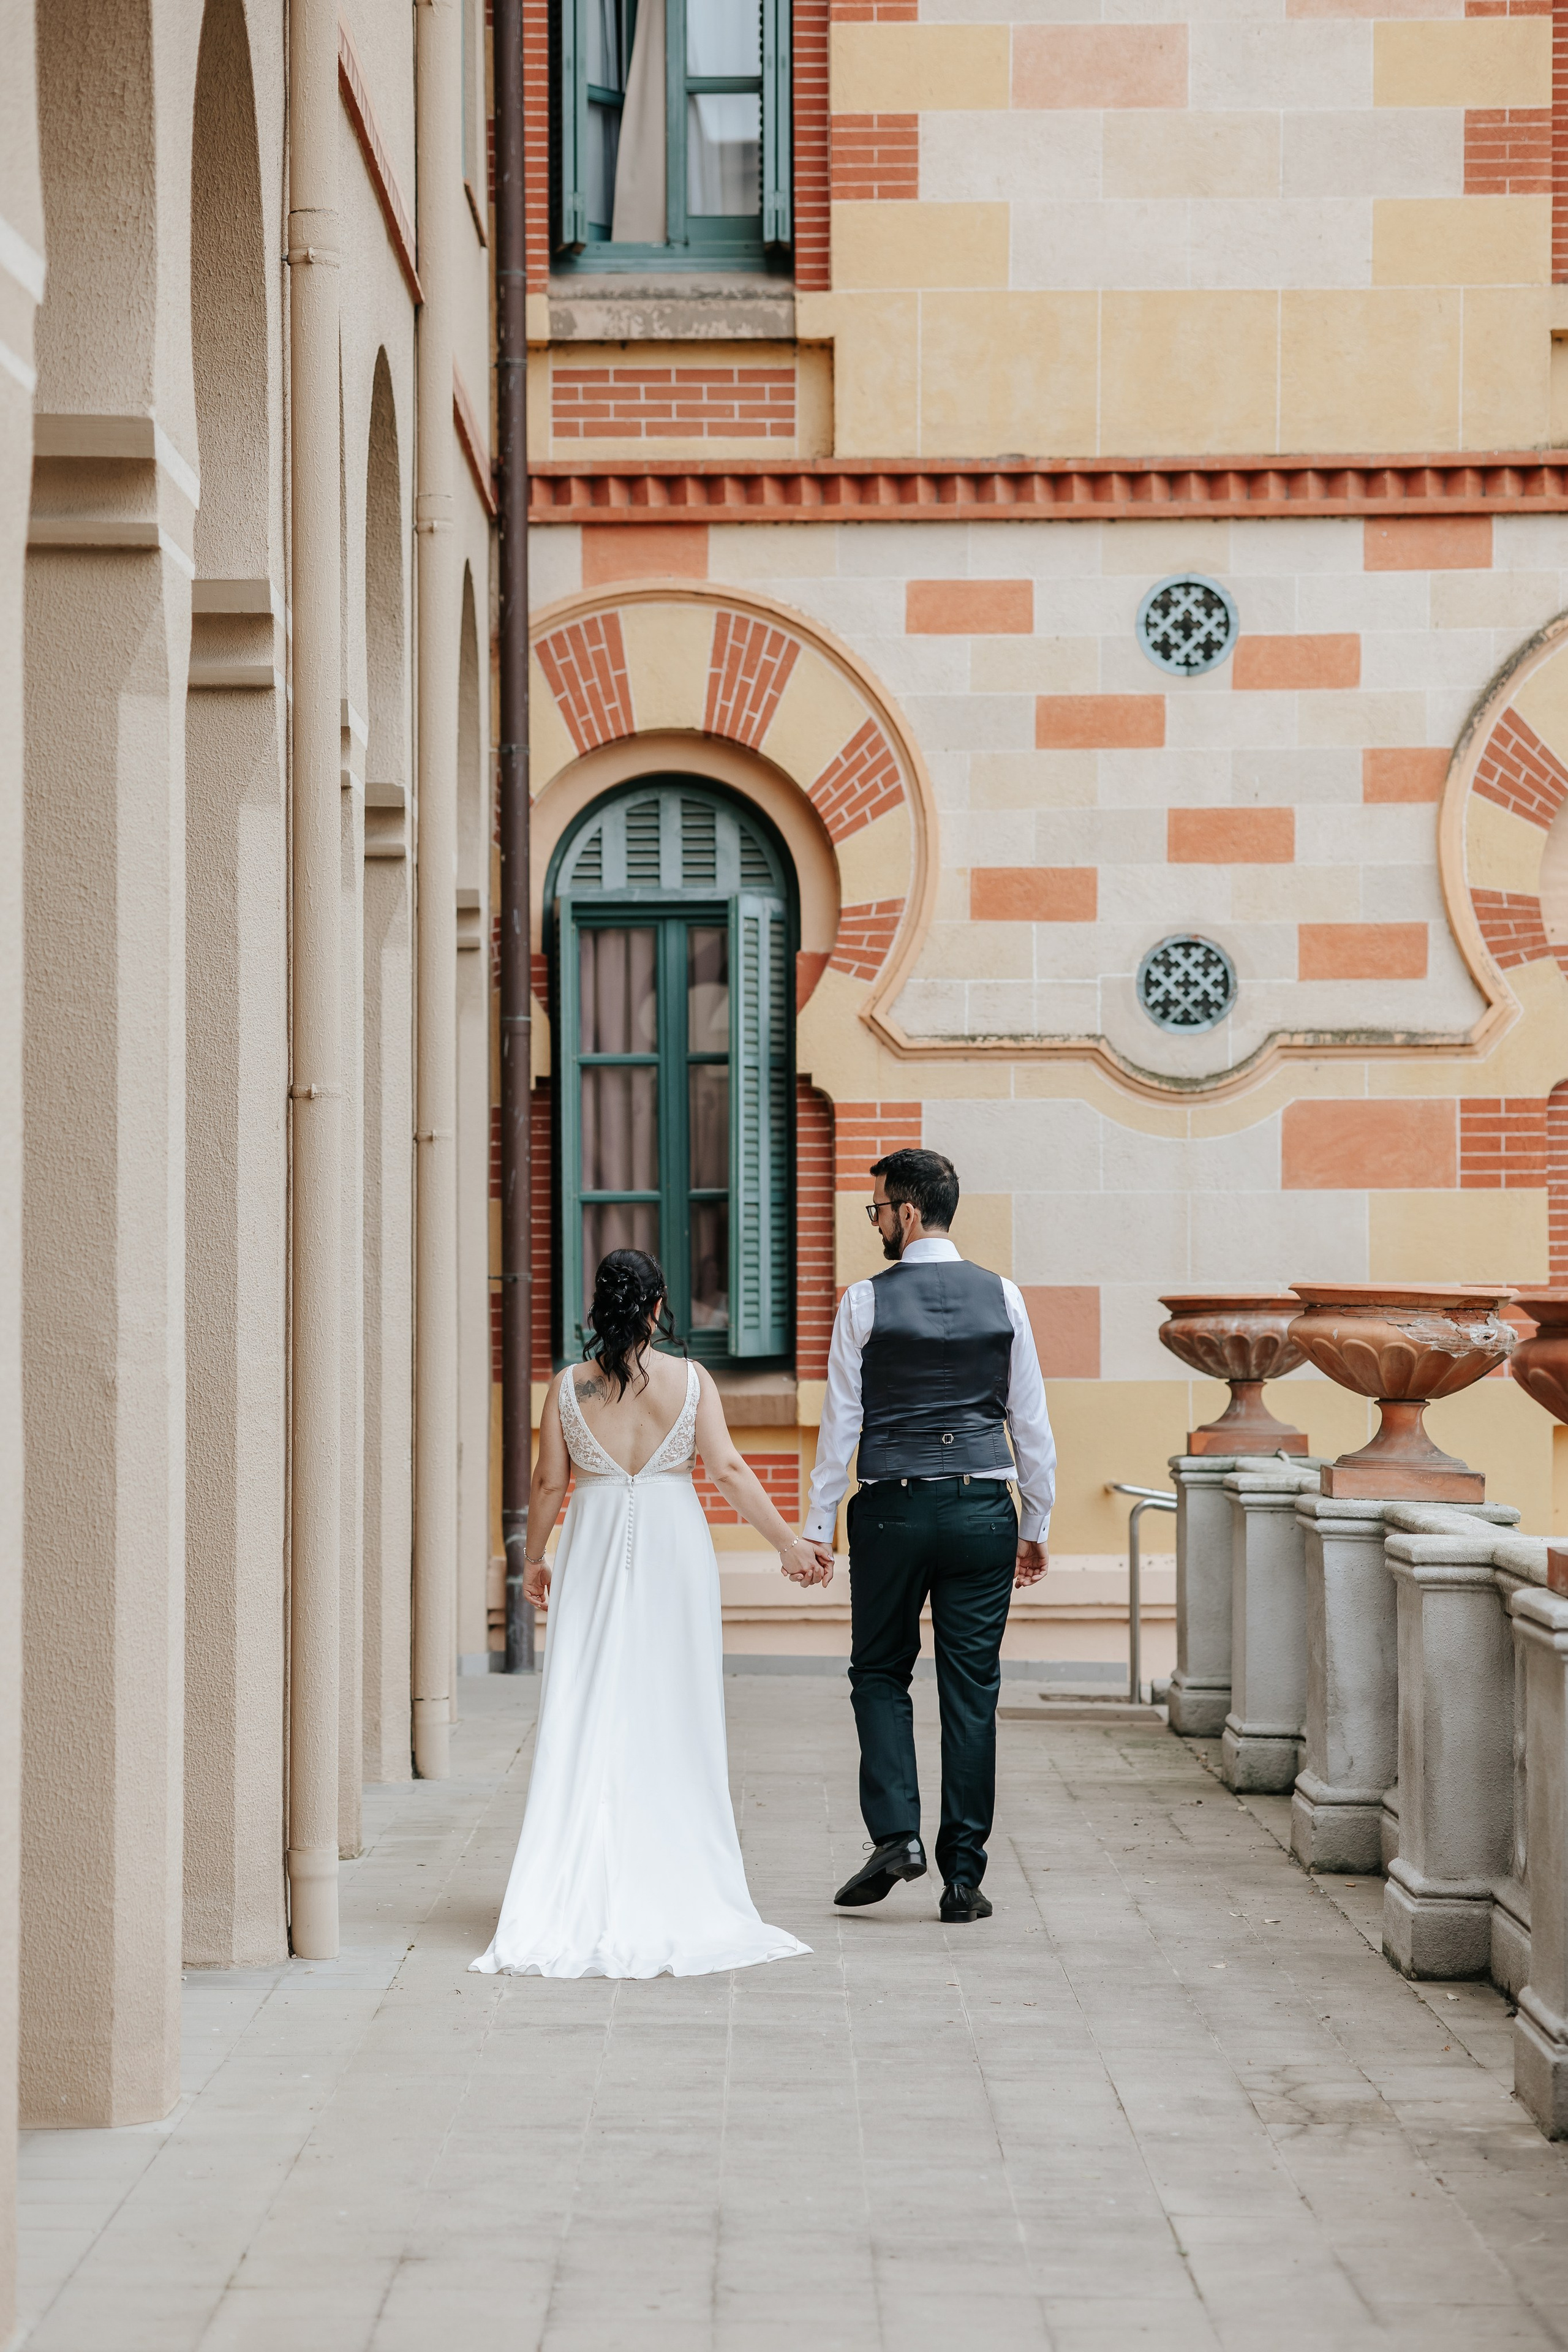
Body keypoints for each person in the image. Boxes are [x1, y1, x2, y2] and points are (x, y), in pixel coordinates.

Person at [471, 1247, 825, 1980]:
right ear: (658, 1306)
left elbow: (546, 1481)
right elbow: (726, 1470)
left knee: (588, 1700)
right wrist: (788, 1544)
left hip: (592, 1544)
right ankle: (672, 1872)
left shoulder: (568, 1386)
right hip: (672, 1544)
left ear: (600, 1306)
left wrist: (531, 1559)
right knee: (672, 1703)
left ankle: (577, 1873)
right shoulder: (690, 1381)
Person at [803, 1148, 1055, 1924]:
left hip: (892, 1507)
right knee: (970, 1691)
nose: (876, 1220)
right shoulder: (1004, 1295)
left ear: (908, 1213)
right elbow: (1029, 1419)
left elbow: (841, 1422)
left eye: (877, 1208)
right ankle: (963, 1879)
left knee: (879, 1671)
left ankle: (896, 1838)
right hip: (984, 1506)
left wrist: (819, 1527)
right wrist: (1035, 1521)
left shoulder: (863, 1303)